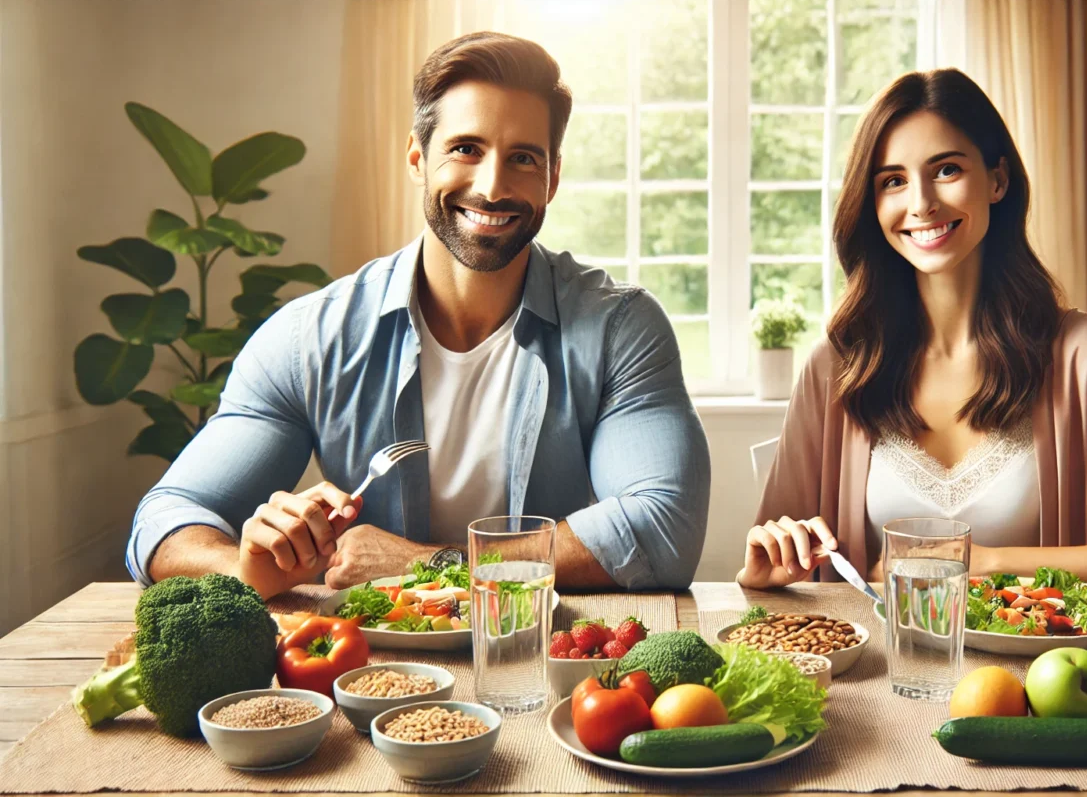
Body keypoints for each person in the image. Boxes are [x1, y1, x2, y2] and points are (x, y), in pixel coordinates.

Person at [127, 32, 711, 599]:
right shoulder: (312, 338)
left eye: (523, 159)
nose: (491, 187)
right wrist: (246, 571)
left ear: (552, 178)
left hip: (542, 660)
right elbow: (165, 520)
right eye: (466, 149)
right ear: (417, 158)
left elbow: (663, 528)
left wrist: (429, 566)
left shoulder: (619, 328)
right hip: (365, 674)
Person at [738, 69, 1087, 595]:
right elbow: (774, 576)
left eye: (946, 169)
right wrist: (764, 571)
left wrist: (985, 563)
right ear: (873, 203)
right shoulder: (837, 367)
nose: (922, 202)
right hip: (880, 674)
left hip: (1039, 674)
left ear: (998, 179)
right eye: (893, 181)